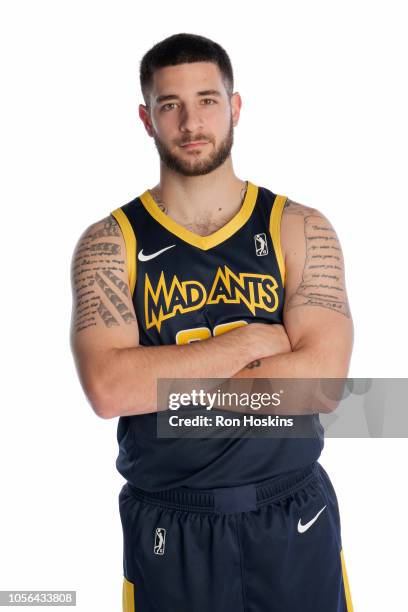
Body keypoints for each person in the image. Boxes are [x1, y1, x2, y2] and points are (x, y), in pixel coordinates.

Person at [70, 32, 355, 612]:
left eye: (207, 100)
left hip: (292, 516)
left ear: (235, 107)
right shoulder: (110, 244)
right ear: (147, 119)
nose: (191, 122)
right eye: (171, 105)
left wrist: (168, 392)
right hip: (170, 525)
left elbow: (323, 384)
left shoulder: (298, 228)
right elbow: (108, 389)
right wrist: (249, 343)